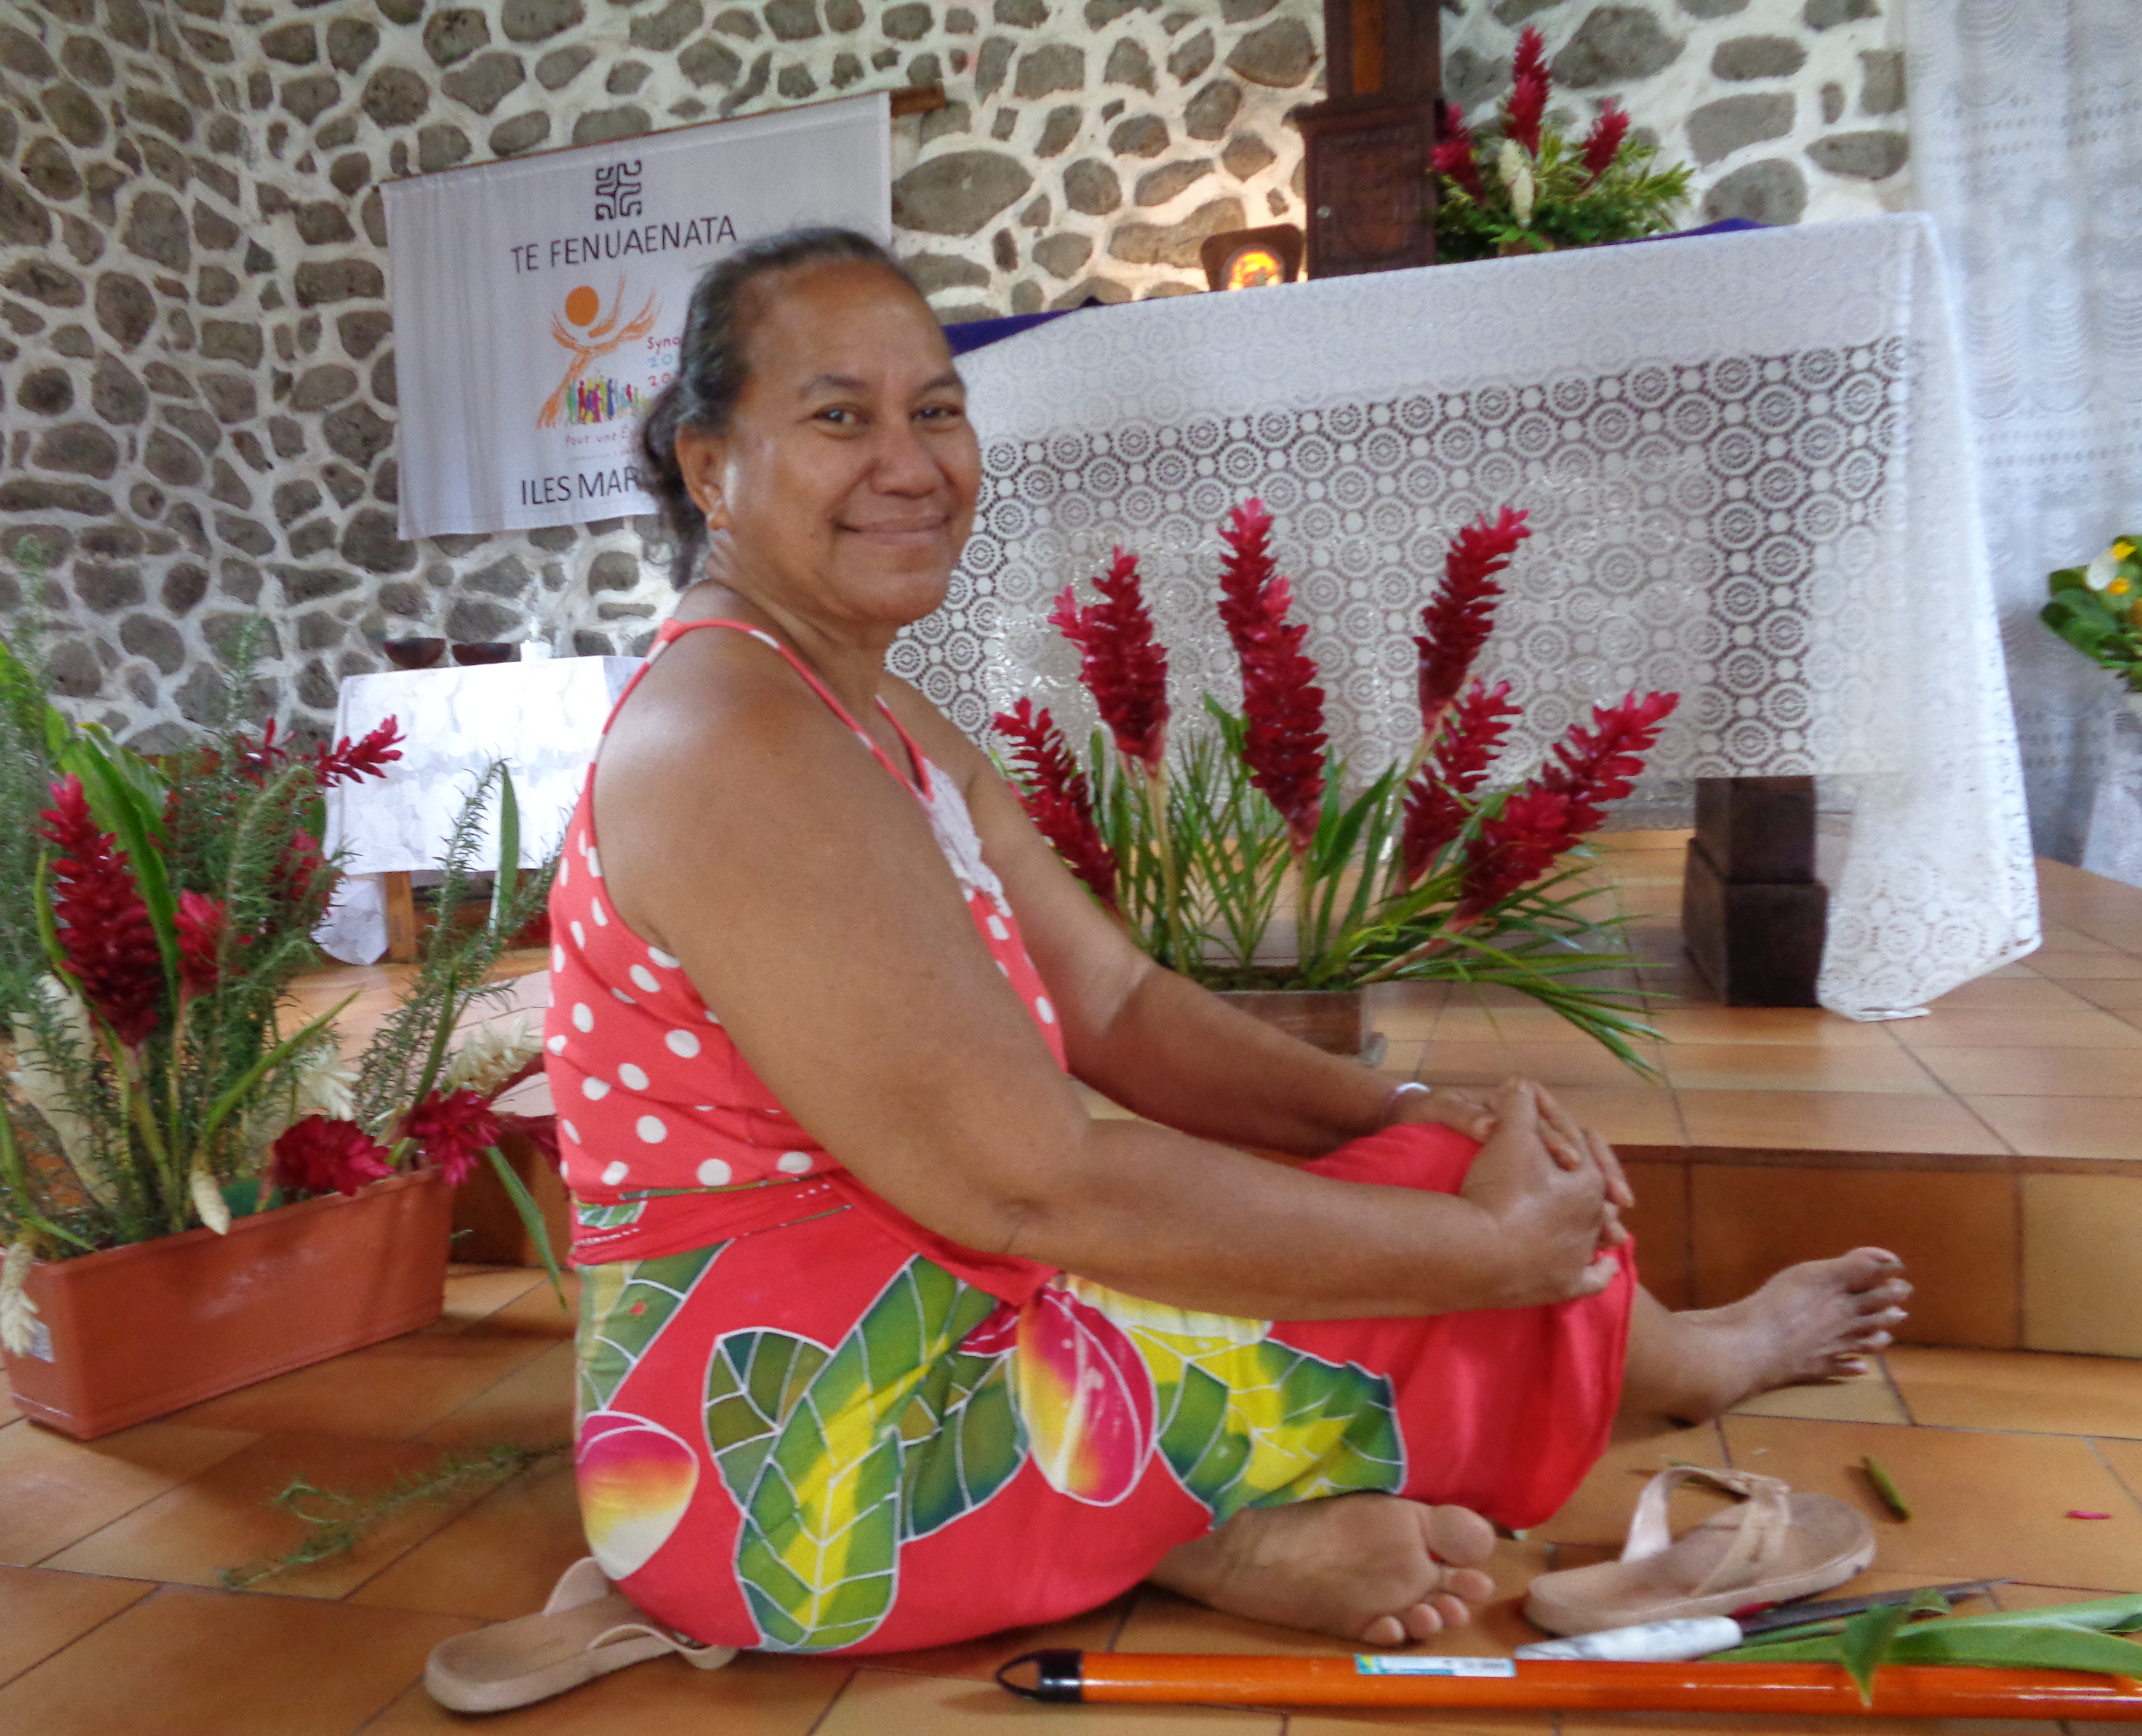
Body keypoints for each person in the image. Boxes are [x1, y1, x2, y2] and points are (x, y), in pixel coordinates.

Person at [539, 228, 1908, 1664]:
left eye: (935, 409)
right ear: (711, 470)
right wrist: (1483, 1249)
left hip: (937, 1303)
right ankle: (1661, 1369)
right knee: (1426, 1239)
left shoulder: (858, 713)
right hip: (810, 1463)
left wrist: (1394, 1107)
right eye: (838, 417)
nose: (911, 462)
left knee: (1423, 1168)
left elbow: (1118, 1004)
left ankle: (1210, 1526)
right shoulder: (737, 740)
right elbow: (1033, 1184)